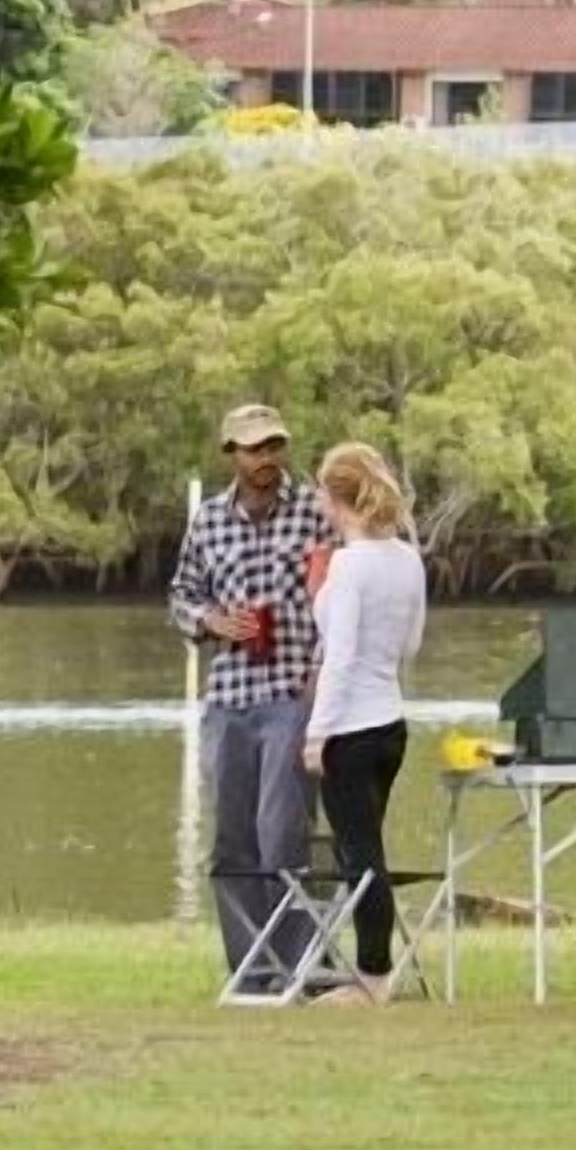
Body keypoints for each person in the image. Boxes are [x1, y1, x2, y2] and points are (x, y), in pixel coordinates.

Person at [168, 402, 325, 991]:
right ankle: (250, 970)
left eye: (274, 447)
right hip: (229, 697)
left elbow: (340, 590)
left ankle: (295, 970)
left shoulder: (313, 510)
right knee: (232, 837)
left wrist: (321, 671)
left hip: (291, 691)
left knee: (281, 831)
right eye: (255, 449)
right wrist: (211, 620)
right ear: (230, 453)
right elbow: (180, 596)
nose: (266, 460)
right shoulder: (208, 520)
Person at [301, 441, 429, 1006]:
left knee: (360, 853)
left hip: (352, 727)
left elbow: (341, 657)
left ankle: (373, 976)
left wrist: (316, 734)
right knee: (368, 843)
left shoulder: (351, 566)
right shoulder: (406, 558)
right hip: (391, 724)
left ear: (335, 498)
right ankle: (372, 967)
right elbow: (410, 643)